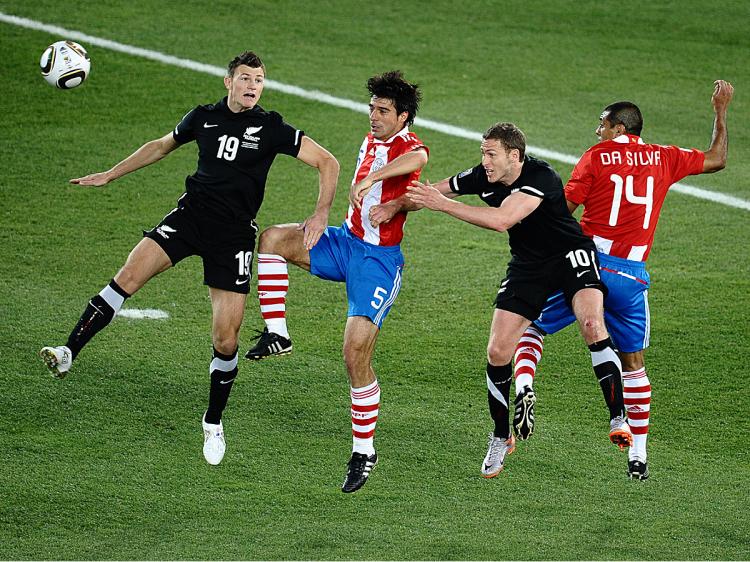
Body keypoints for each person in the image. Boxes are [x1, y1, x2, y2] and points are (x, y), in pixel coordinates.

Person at [39, 51, 340, 467]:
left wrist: (321, 211)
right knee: (126, 276)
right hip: (190, 218)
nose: (253, 86)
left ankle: (213, 420)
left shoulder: (271, 127)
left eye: (260, 80)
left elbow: (328, 161)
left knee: (226, 339)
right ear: (228, 81)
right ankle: (69, 351)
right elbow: (161, 146)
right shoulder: (203, 117)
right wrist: (111, 173)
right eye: (247, 79)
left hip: (233, 236)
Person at [509, 80, 734, 480]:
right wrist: (720, 110)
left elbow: (566, 207)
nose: (597, 131)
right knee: (634, 365)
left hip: (588, 267)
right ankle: (639, 456)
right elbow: (717, 159)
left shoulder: (596, 156)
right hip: (631, 276)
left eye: (602, 123)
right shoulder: (666, 157)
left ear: (618, 127)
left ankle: (525, 381)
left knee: (531, 327)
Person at [407, 122, 632, 478]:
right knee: (497, 351)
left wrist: (441, 206)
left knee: (591, 323)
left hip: (569, 254)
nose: (485, 161)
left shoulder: (541, 177)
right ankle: (500, 436)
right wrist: (390, 204)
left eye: (491, 154)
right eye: (483, 152)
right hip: (529, 265)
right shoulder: (485, 175)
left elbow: (502, 220)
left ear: (515, 156)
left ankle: (618, 416)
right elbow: (434, 190)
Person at [243, 70, 428, 493]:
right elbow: (407, 196)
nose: (374, 116)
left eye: (383, 110)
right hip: (345, 243)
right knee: (272, 240)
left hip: (377, 263)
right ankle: (277, 333)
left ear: (402, 116)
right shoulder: (372, 140)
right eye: (371, 108)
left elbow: (419, 162)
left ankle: (364, 451)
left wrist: (376, 183)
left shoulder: (407, 145)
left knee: (353, 355)